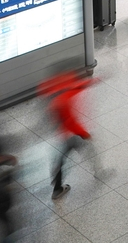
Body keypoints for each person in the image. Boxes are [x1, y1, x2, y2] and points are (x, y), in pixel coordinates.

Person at [41, 70, 95, 199]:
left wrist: (94, 80)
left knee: (59, 160)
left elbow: (77, 86)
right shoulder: (63, 100)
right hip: (69, 135)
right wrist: (84, 133)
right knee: (87, 149)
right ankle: (57, 188)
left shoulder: (56, 94)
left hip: (61, 134)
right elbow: (70, 122)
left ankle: (57, 186)